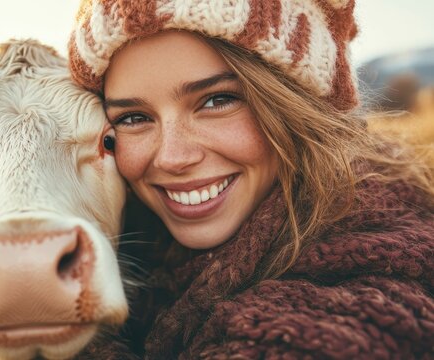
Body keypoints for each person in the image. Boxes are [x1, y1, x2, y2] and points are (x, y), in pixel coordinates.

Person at [68, 0, 434, 358]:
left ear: (298, 107)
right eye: (133, 118)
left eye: (217, 100)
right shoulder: (131, 244)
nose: (171, 157)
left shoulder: (371, 281)